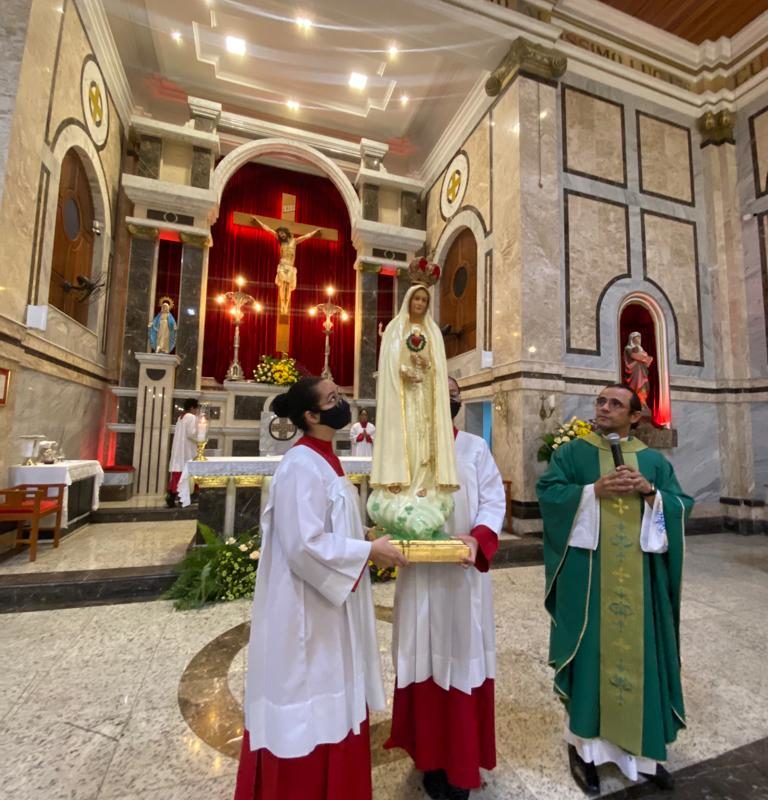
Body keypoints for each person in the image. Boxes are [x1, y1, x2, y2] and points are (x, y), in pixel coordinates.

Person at [234, 377, 407, 800]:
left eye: (340, 396)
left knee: (331, 686)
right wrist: (368, 551)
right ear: (311, 416)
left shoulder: (326, 459)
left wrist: (363, 535)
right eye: (333, 399)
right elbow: (304, 544)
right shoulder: (300, 466)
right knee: (308, 693)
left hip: (328, 606)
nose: (342, 403)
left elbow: (327, 525)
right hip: (306, 611)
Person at [536, 384, 694, 795]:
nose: (604, 408)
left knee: (644, 660)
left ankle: (643, 756)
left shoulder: (652, 462)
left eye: (615, 404)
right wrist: (592, 492)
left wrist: (651, 493)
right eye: (600, 401)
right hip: (590, 582)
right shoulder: (573, 454)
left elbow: (681, 505)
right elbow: (548, 494)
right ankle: (584, 752)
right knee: (591, 661)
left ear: (635, 417)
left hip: (640, 584)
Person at [385, 377, 506, 800]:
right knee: (421, 656)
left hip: (461, 576)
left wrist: (478, 538)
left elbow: (493, 500)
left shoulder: (474, 448)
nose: (449, 399)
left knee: (460, 658)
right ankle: (429, 755)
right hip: (419, 574)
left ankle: (460, 760)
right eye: (441, 392)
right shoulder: (403, 451)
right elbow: (387, 499)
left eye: (455, 394)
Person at [367, 284, 458, 539]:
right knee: (405, 441)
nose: (419, 303)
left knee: (424, 442)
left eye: (424, 300)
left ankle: (423, 487)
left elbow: (438, 368)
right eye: (416, 298)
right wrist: (403, 371)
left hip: (425, 399)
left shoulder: (433, 332)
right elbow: (388, 363)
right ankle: (401, 487)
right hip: (402, 401)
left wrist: (426, 364)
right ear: (408, 300)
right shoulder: (395, 329)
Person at [253, 217, 320, 315]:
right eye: (280, 234)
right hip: (283, 266)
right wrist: (258, 221)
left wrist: (315, 232)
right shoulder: (281, 242)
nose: (281, 235)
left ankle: (286, 304)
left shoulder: (294, 241)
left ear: (286, 232)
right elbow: (268, 229)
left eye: (282, 233)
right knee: (283, 285)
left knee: (288, 288)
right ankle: (282, 305)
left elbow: (306, 236)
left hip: (290, 267)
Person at [166, 398, 198, 508]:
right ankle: (182, 499)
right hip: (186, 450)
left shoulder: (180, 417)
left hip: (179, 450)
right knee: (185, 475)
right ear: (192, 407)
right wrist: (201, 437)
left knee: (177, 475)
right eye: (196, 409)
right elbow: (191, 434)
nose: (196, 411)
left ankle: (171, 497)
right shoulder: (191, 417)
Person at [623, 331, 653, 410]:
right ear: (632, 339)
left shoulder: (641, 349)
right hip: (634, 372)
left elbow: (646, 358)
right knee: (636, 387)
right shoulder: (628, 348)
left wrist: (644, 357)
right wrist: (644, 357)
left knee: (645, 386)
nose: (639, 340)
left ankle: (642, 402)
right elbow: (635, 356)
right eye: (637, 338)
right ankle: (636, 403)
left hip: (642, 372)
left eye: (640, 338)